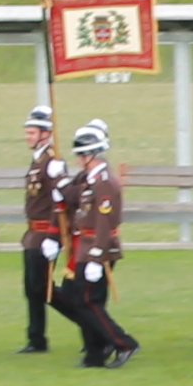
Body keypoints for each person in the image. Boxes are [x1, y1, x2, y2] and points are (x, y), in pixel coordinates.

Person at [51, 119, 141, 368]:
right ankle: (96, 353)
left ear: (90, 154)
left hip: (97, 247)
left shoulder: (104, 181)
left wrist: (97, 257)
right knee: (84, 301)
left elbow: (104, 220)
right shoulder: (91, 179)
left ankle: (124, 343)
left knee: (87, 301)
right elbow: (77, 197)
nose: (78, 159)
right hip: (85, 246)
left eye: (81, 155)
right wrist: (60, 182)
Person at [17, 104, 63, 355]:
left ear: (46, 134)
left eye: (32, 132)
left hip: (46, 234)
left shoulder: (52, 162)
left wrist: (54, 235)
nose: (28, 137)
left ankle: (91, 324)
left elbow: (60, 202)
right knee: (32, 289)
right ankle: (36, 339)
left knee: (43, 289)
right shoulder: (38, 160)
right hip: (33, 234)